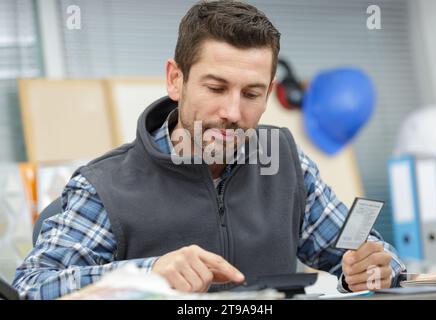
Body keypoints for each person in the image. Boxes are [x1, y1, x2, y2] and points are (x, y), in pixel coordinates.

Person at [13, 0, 405, 299]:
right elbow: (32, 286)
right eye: (215, 88)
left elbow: (367, 256)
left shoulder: (285, 162)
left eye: (251, 93)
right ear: (175, 80)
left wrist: (374, 266)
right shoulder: (105, 187)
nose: (232, 113)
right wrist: (147, 275)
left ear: (268, 93)